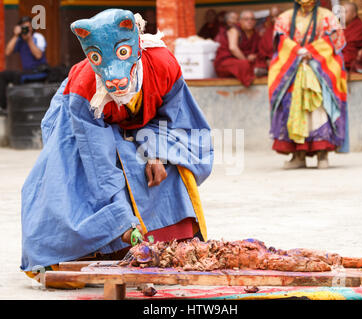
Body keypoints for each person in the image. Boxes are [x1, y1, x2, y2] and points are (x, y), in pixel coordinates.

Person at [21, 10, 213, 288]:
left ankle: (171, 238)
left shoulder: (162, 63)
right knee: (70, 178)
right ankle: (101, 246)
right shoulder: (86, 85)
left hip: (145, 125)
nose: (117, 83)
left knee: (169, 161)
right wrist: (121, 221)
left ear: (135, 51)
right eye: (99, 62)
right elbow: (98, 162)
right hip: (82, 120)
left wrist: (155, 152)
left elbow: (172, 116)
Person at [268, 0, 349, 169]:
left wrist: (311, 51)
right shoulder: (285, 18)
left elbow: (335, 40)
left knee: (320, 110)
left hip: (319, 69)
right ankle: (298, 155)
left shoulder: (328, 17)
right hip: (293, 70)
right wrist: (298, 51)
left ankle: (322, 154)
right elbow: (281, 39)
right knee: (292, 109)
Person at [0, 16, 47, 112]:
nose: (26, 29)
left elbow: (38, 55)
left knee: (18, 76)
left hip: (38, 71)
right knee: (3, 75)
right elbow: (7, 52)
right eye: (23, 27)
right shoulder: (19, 40)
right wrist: (16, 36)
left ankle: (19, 106)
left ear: (32, 28)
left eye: (28, 27)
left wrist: (29, 40)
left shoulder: (38, 37)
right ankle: (3, 107)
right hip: (25, 72)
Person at [214, 10, 260, 87]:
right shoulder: (234, 30)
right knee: (244, 65)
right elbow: (233, 48)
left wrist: (254, 55)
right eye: (246, 19)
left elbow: (259, 49)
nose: (250, 21)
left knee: (260, 62)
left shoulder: (255, 33)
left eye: (252, 19)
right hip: (227, 61)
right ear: (240, 21)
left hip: (240, 59)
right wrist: (246, 59)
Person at [342, 2, 362, 71]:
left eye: (345, 12)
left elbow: (352, 48)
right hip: (341, 55)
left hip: (351, 58)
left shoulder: (359, 27)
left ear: (354, 14)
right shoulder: (340, 26)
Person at [255, 6, 281, 77]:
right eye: (272, 17)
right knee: (257, 69)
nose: (274, 19)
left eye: (277, 16)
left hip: (283, 60)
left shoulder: (288, 29)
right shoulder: (268, 31)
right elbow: (262, 50)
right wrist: (267, 59)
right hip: (269, 61)